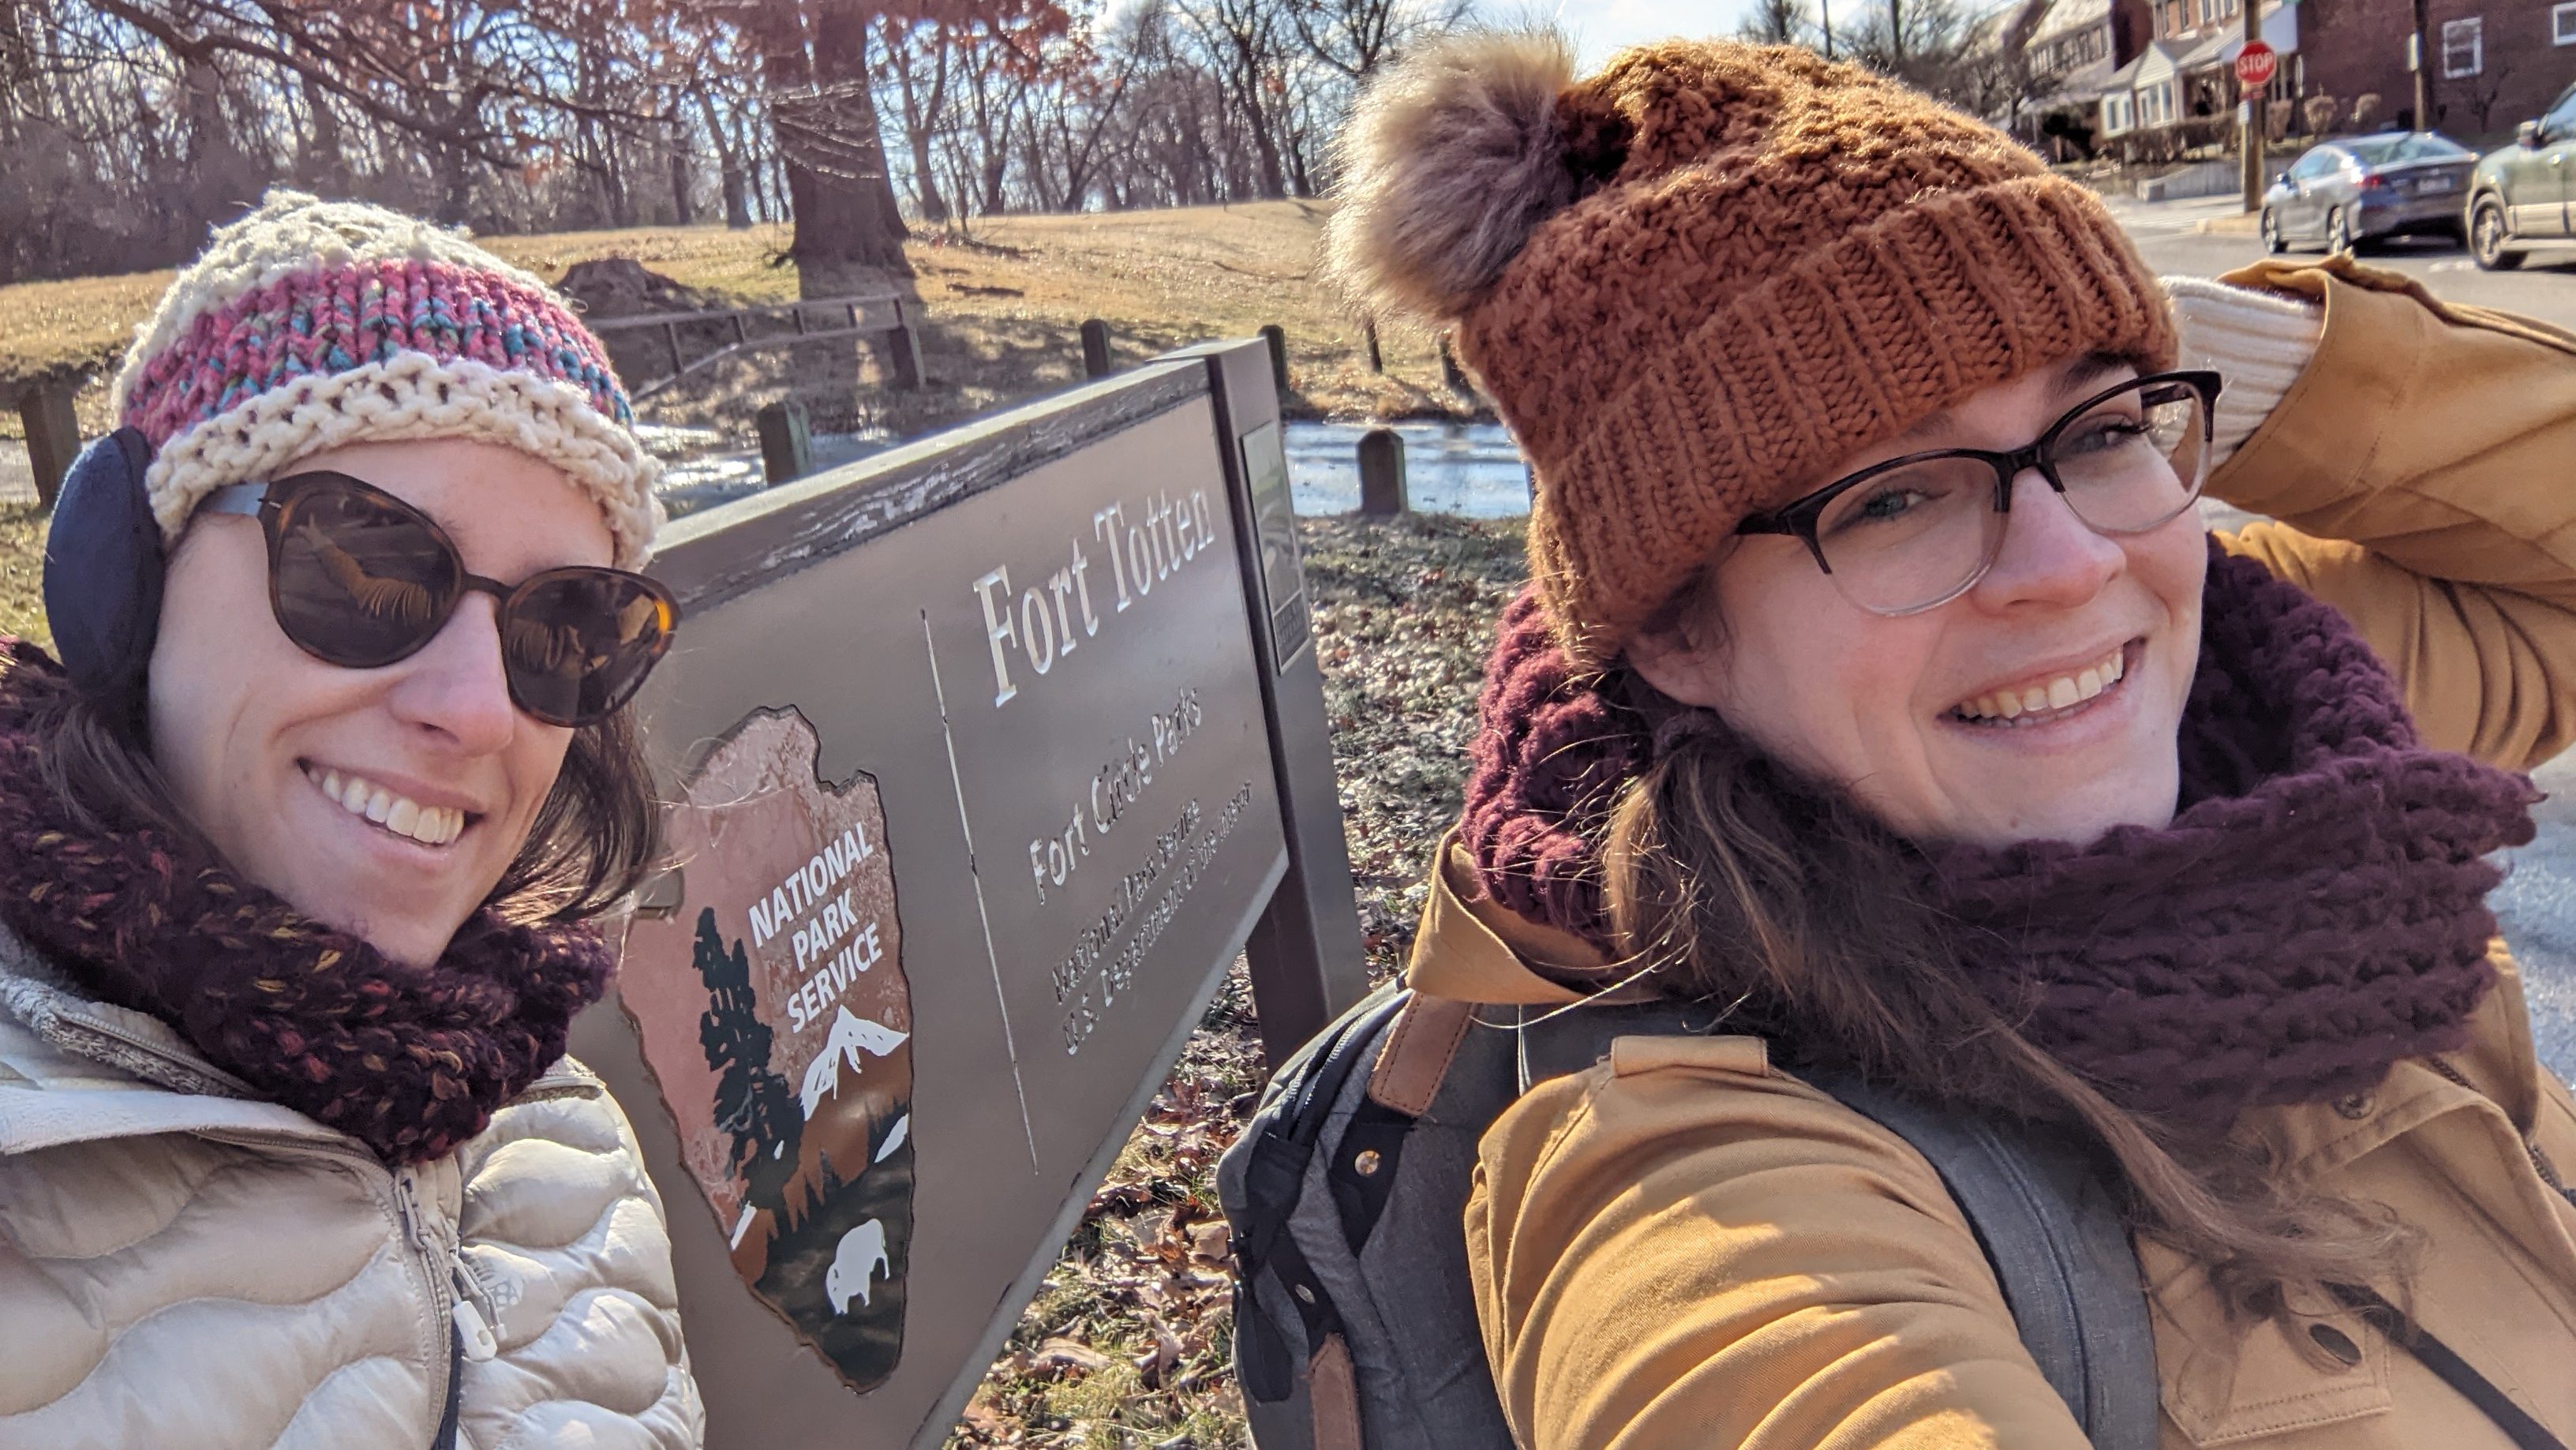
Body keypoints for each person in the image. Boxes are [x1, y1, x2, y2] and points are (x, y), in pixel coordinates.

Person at [1328, 33, 2576, 1450]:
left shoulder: (2263, 707)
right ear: (1678, 637)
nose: (2066, 561)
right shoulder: (1697, 1172)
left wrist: (2188, 337)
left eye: (2099, 428)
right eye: (1889, 497)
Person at [0, 193, 703, 1448]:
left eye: (564, 627)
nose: (479, 710)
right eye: (367, 565)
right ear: (126, 580)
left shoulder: (561, 1137)